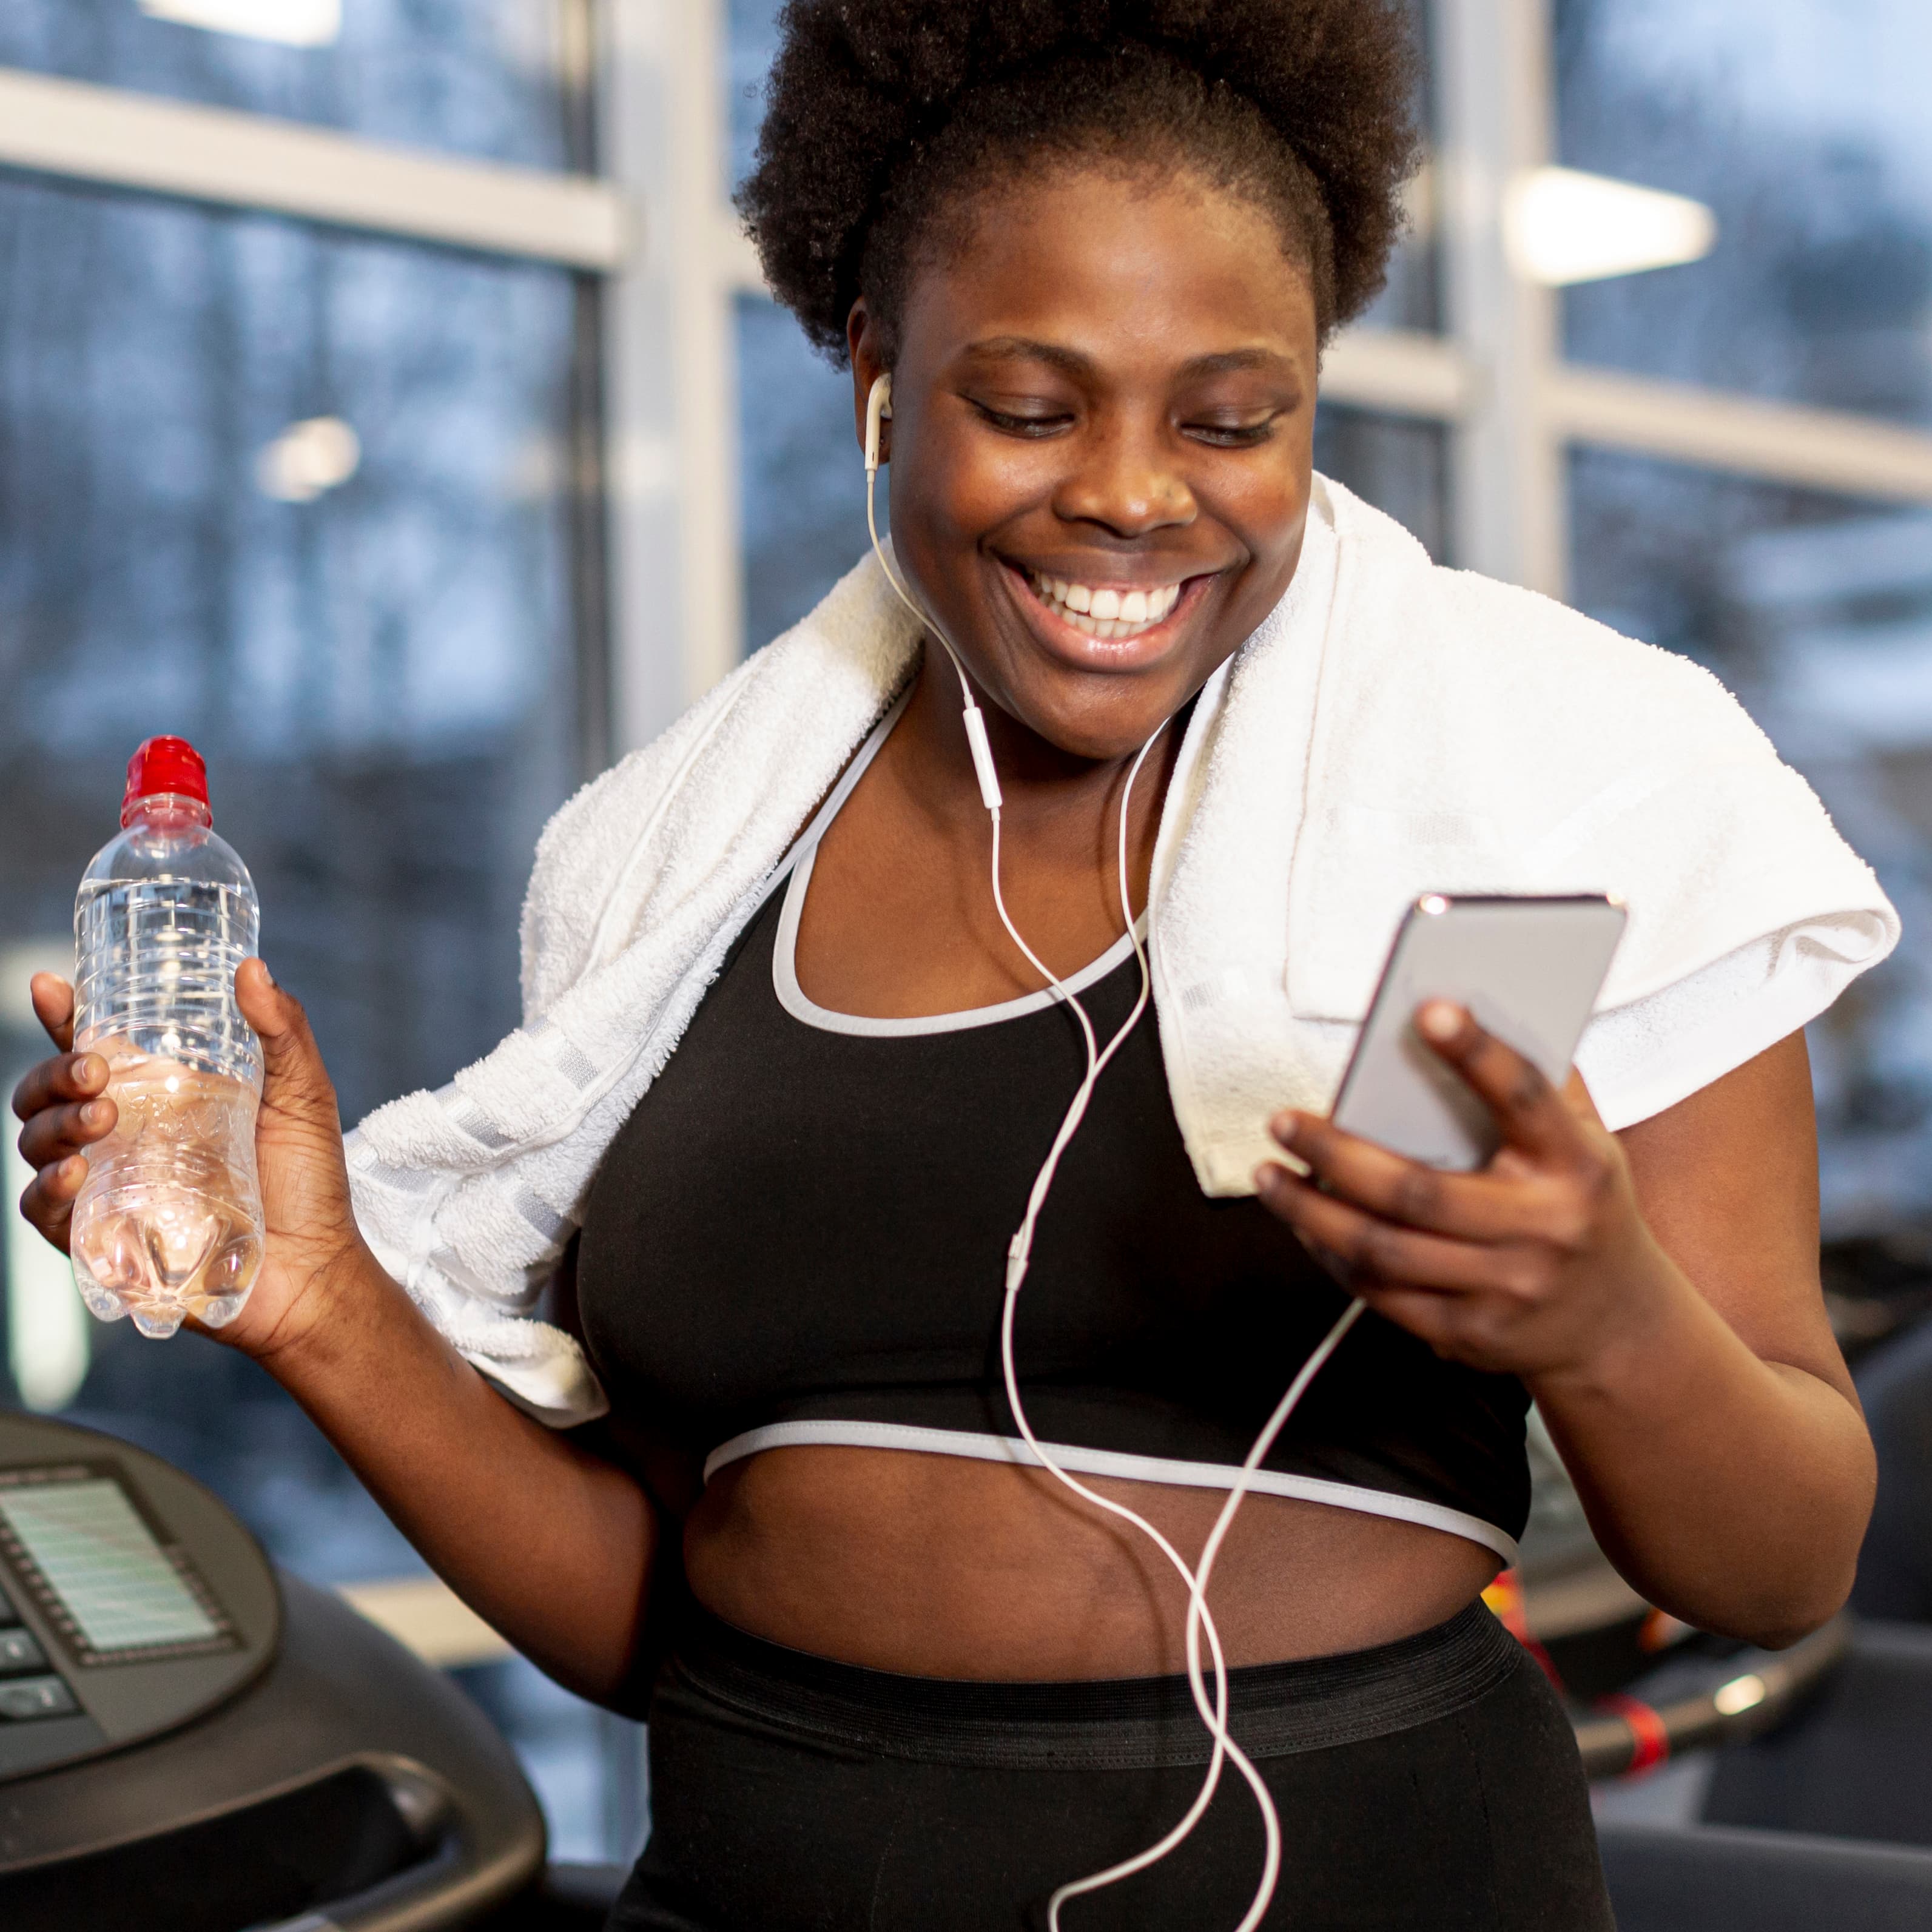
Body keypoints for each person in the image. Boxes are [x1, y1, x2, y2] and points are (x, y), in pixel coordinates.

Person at [13, 4, 1900, 1926]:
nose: (1135, 494)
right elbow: (656, 1619)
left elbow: (1776, 1564)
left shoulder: (1563, 791)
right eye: (1029, 404)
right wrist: (322, 1295)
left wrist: (1604, 1320)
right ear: (875, 379)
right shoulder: (666, 875)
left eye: (1232, 418)